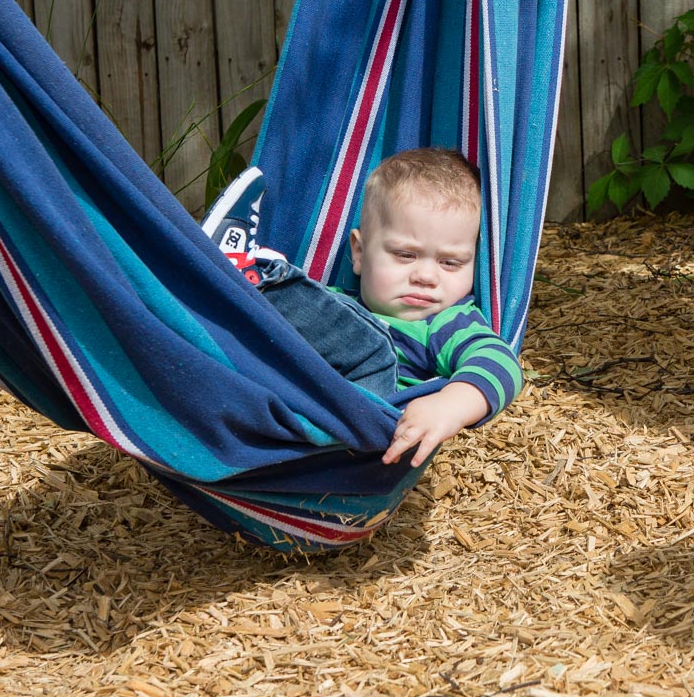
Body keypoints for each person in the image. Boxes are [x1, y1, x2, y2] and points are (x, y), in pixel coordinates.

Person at [202, 149, 522, 467]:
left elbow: (500, 362)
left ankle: (246, 282)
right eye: (405, 255)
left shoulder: (449, 322)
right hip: (293, 413)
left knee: (370, 347)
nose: (425, 276)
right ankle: (222, 299)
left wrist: (449, 406)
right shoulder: (333, 306)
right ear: (359, 252)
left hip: (370, 421)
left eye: (450, 263)